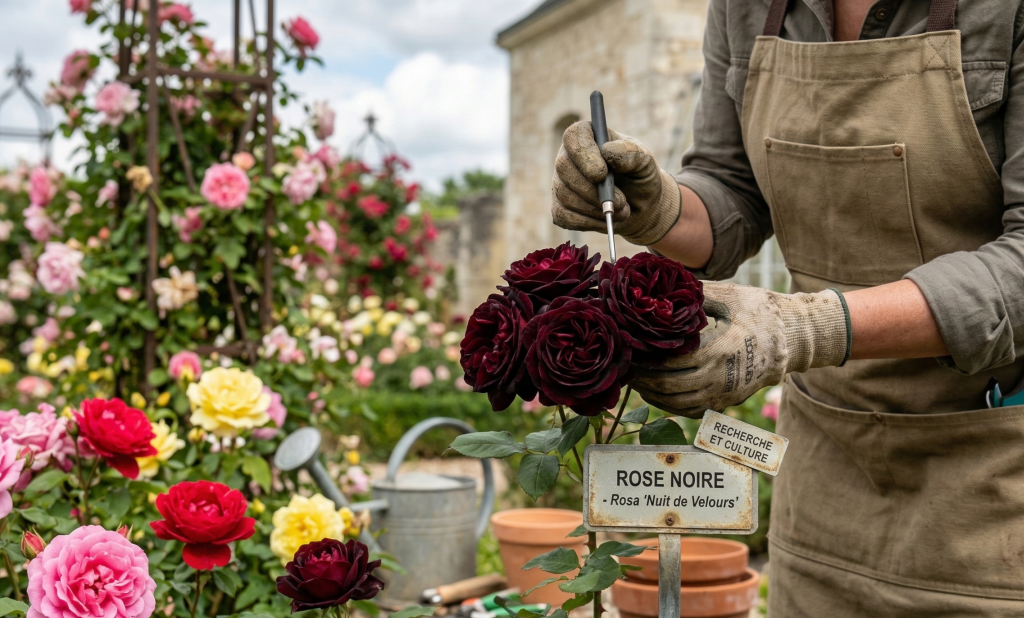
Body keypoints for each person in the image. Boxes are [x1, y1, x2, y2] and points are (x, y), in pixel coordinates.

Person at [550, 0, 1024, 615]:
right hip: (825, 474)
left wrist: (808, 327)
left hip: (990, 488)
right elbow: (733, 189)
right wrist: (660, 208)